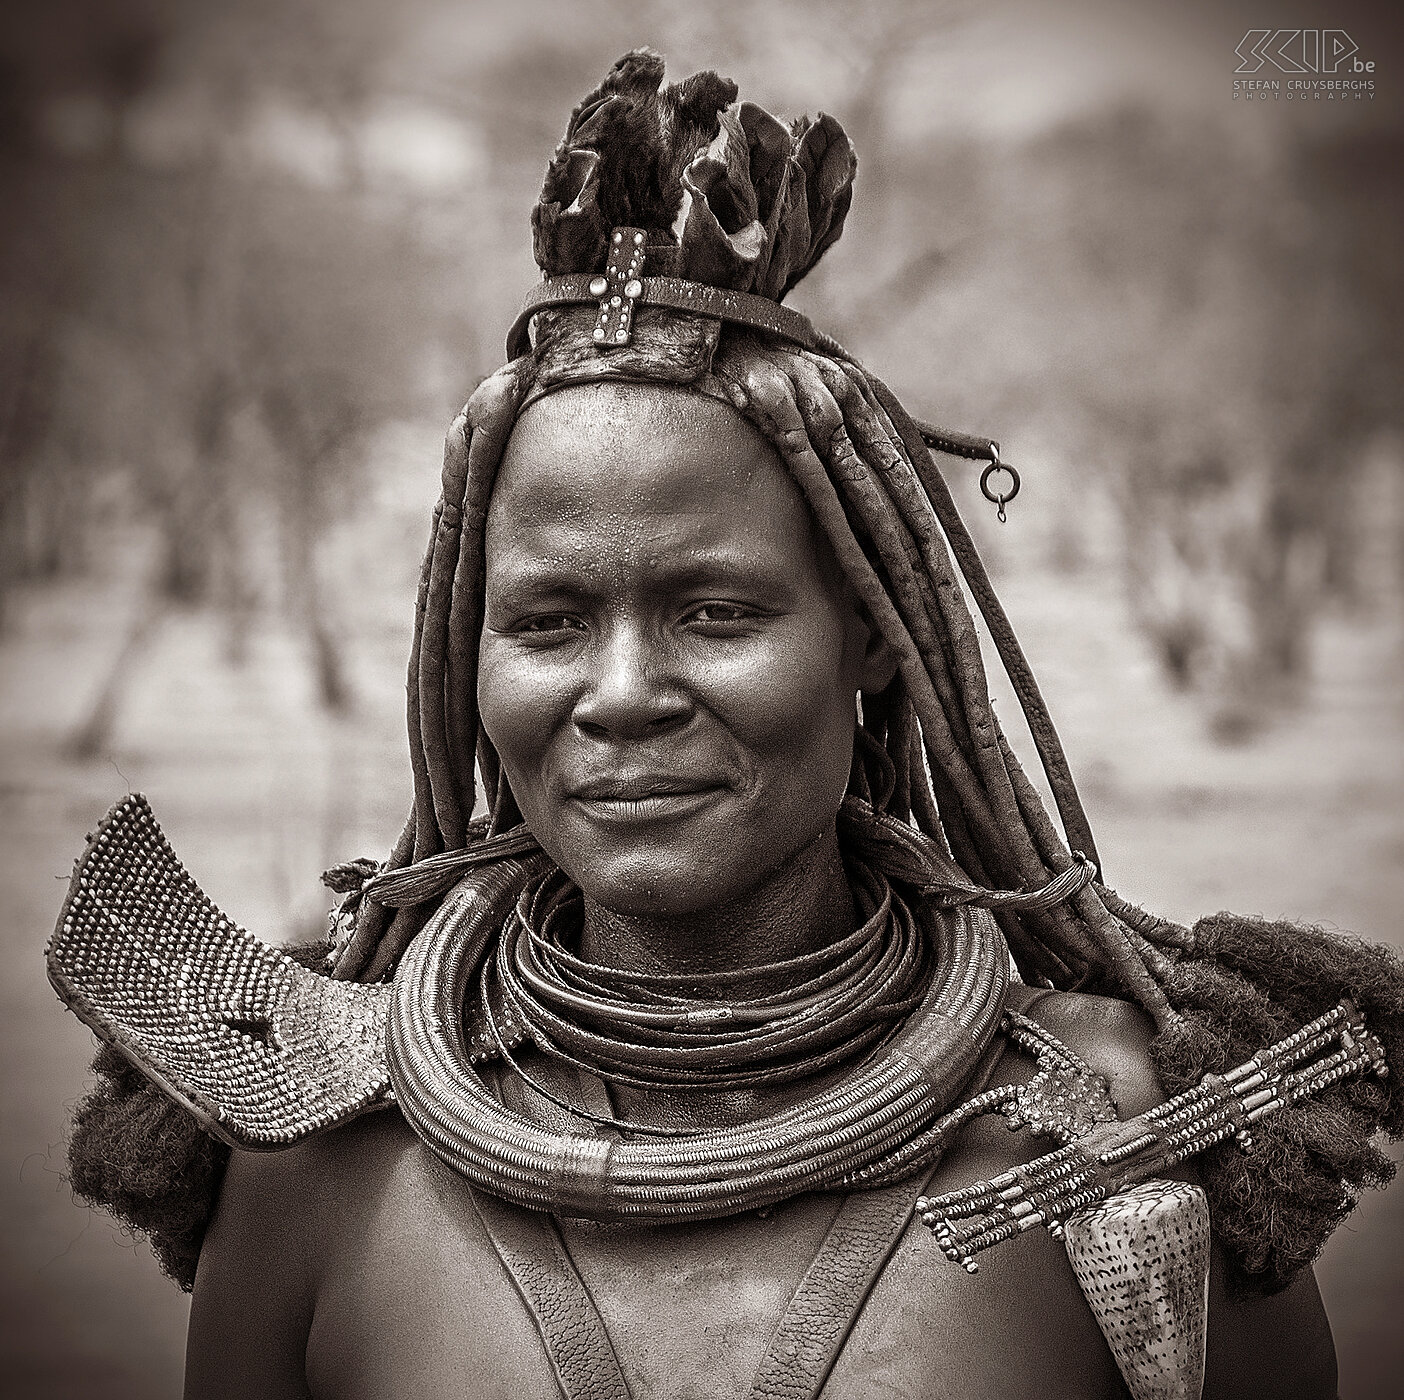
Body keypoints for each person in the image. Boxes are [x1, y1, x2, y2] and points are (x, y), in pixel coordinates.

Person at [53, 52, 1403, 1400]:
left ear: (869, 634)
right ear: (467, 651)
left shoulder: (1128, 1143)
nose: (623, 692)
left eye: (715, 612)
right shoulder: (317, 1162)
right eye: (548, 623)